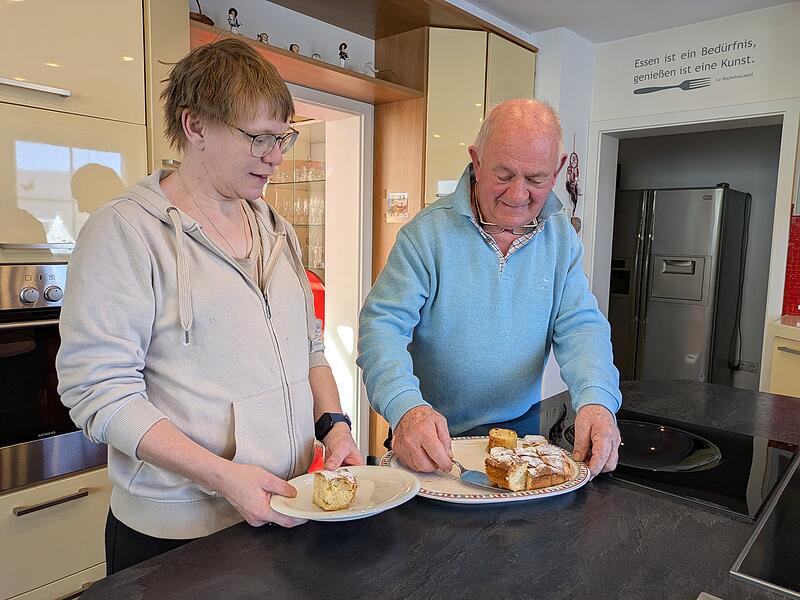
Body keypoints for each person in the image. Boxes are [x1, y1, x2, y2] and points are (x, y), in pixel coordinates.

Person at [56, 38, 362, 574]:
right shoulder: (125, 233)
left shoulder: (277, 230)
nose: (276, 156)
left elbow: (308, 347)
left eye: (282, 137)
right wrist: (223, 476)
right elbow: (97, 391)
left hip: (283, 505)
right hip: (178, 535)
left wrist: (335, 425)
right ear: (194, 126)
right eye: (258, 138)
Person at [357, 99, 621, 479]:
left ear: (559, 169)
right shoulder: (426, 235)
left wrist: (597, 400)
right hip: (430, 435)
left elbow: (581, 326)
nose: (517, 195)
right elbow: (381, 329)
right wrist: (405, 407)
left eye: (535, 179)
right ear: (476, 162)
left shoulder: (561, 237)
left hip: (520, 434)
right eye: (503, 174)